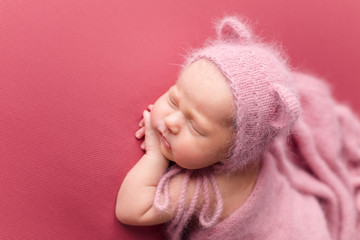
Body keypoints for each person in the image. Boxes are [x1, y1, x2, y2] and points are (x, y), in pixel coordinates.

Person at [116, 16, 360, 240]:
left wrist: (155, 156)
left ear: (232, 151)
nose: (171, 122)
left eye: (196, 127)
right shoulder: (251, 145)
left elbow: (131, 209)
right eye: (174, 100)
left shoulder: (211, 189)